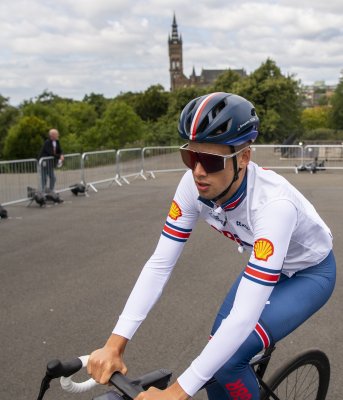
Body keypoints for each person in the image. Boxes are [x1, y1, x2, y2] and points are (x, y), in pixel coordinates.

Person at [87, 92, 336, 400]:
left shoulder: (274, 207)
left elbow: (244, 314)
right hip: (269, 265)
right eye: (190, 157)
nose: (198, 172)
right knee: (216, 353)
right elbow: (160, 263)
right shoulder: (192, 185)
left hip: (309, 274)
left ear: (244, 157)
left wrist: (177, 392)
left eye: (210, 160)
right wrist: (115, 344)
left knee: (229, 361)